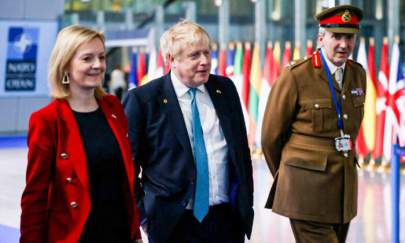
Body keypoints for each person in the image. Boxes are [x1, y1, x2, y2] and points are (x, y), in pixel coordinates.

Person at [123, 20, 254, 243]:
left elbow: (241, 153)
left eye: (207, 53)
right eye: (195, 56)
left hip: (225, 220)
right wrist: (143, 218)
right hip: (172, 222)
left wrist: (244, 205)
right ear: (171, 60)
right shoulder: (143, 100)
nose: (205, 61)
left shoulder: (226, 89)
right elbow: (127, 167)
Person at [20, 25, 143, 243]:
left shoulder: (113, 107)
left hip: (119, 233)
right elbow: (35, 197)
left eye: (101, 57)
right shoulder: (47, 120)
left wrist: (135, 233)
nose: (98, 65)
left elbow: (126, 181)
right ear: (65, 64)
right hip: (75, 236)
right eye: (87, 58)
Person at [261, 5, 366, 243]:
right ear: (321, 38)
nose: (343, 44)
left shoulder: (358, 74)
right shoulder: (297, 75)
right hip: (306, 190)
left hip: (343, 191)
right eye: (336, 36)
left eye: (349, 37)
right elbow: (270, 137)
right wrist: (291, 174)